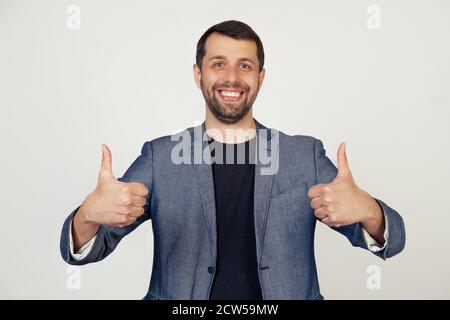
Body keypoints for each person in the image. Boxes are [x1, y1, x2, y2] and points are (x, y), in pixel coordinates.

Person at [60, 20, 405, 300]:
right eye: (218, 64)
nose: (232, 77)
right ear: (198, 74)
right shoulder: (160, 157)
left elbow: (392, 241)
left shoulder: (305, 156)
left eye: (245, 66)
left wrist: (369, 210)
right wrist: (88, 215)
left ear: (260, 78)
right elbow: (88, 247)